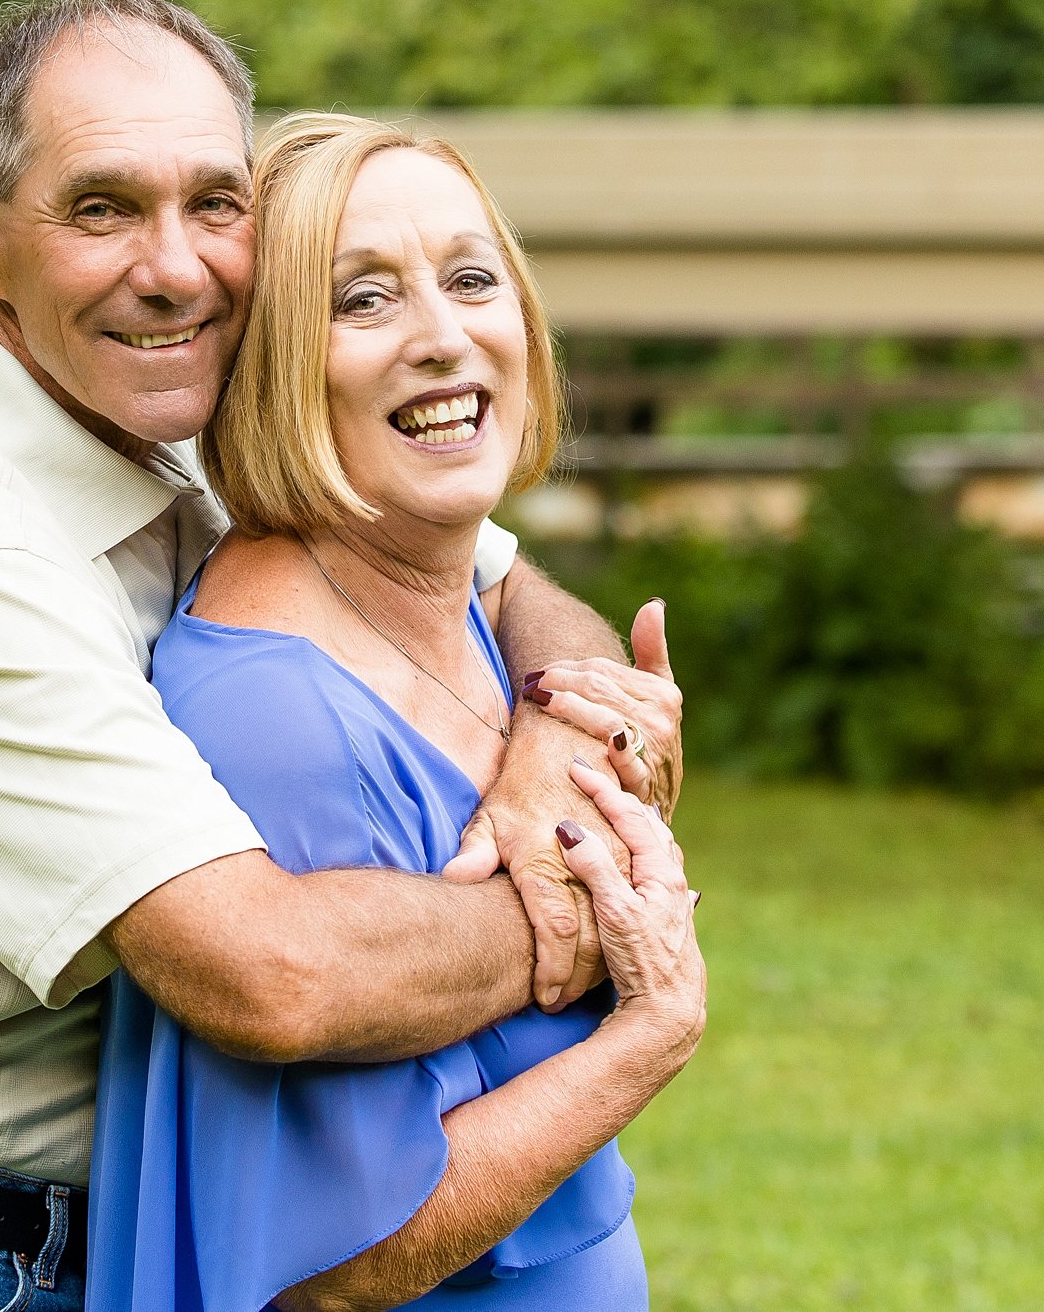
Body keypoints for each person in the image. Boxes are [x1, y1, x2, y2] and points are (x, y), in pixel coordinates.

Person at [0, 0, 685, 1312]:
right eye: (103, 207)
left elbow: (512, 577)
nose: (174, 265)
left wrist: (557, 737)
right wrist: (592, 909)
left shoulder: (179, 406)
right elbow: (275, 976)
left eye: (215, 203)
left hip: (56, 1240)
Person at [89, 114, 706, 1312]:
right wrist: (650, 1029)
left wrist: (575, 726)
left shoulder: (442, 590)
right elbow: (326, 1266)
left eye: (472, 279)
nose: (442, 336)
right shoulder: (279, 711)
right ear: (272, 361)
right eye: (362, 300)